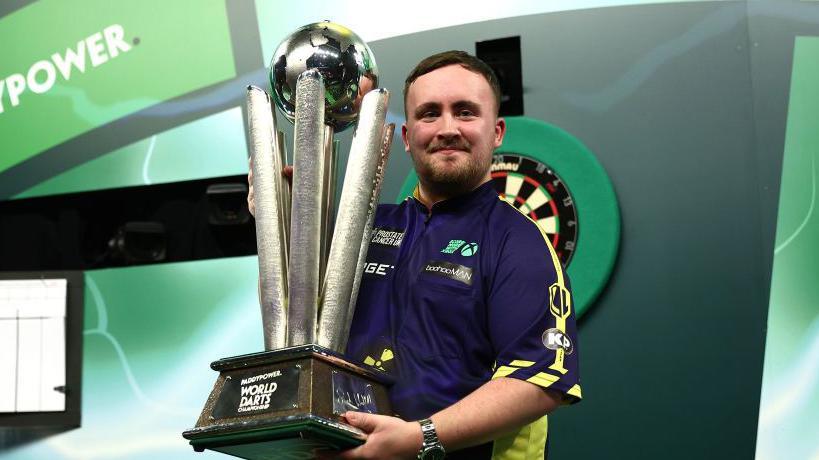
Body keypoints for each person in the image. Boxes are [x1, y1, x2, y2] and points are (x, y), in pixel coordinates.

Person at [248, 51, 580, 460]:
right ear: (406, 137)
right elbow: (297, 328)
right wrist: (281, 221)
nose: (447, 128)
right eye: (428, 114)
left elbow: (540, 381)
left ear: (496, 132)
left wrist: (419, 437)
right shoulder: (361, 232)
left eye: (465, 112)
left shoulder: (518, 241)